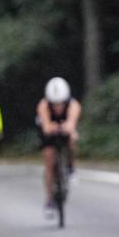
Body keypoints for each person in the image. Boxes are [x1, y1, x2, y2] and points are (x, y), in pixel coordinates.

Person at [36, 77, 81, 217]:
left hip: (64, 128)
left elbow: (71, 124)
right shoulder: (43, 105)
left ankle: (71, 167)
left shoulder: (74, 105)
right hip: (49, 132)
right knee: (49, 161)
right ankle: (49, 199)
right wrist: (54, 127)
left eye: (61, 103)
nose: (58, 107)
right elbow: (46, 127)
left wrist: (66, 128)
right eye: (54, 104)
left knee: (72, 139)